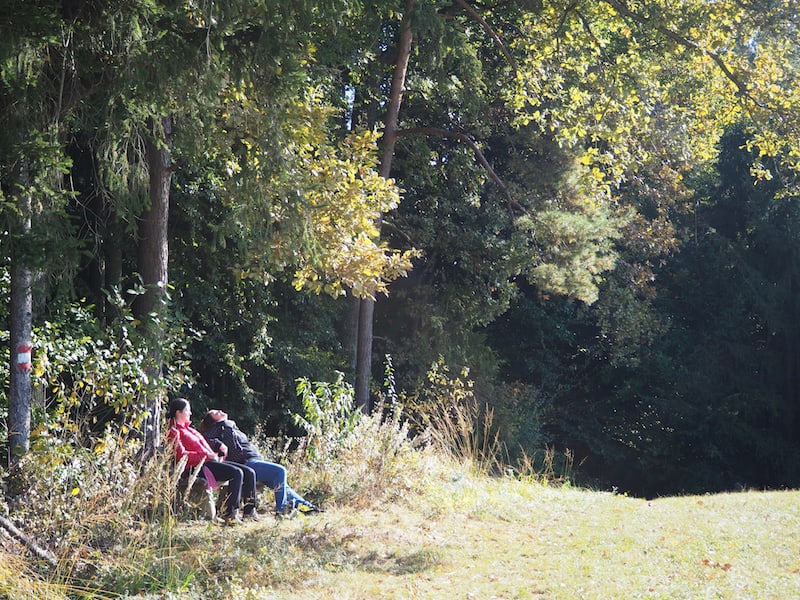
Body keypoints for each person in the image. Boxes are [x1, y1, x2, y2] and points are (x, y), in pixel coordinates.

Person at [199, 409, 322, 516]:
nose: (220, 411)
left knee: (282, 486)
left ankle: (309, 508)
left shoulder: (228, 426)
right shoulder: (217, 428)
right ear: (213, 420)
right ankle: (281, 511)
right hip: (247, 464)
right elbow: (208, 439)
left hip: (254, 462)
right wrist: (220, 444)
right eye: (215, 413)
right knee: (280, 471)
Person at [167, 398, 260, 524]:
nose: (190, 413)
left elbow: (206, 448)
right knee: (236, 473)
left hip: (208, 463)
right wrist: (205, 456)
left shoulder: (190, 430)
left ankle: (249, 511)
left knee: (249, 472)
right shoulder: (174, 431)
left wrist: (216, 455)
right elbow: (181, 456)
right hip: (196, 468)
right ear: (178, 412)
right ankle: (230, 514)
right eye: (187, 410)